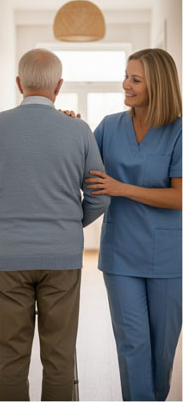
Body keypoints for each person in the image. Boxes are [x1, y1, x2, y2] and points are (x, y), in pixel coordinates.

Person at [0, 48, 110, 400]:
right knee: (59, 357)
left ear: (18, 84)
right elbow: (100, 195)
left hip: (9, 260)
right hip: (63, 258)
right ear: (58, 87)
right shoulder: (79, 130)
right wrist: (70, 225)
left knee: (11, 357)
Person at [87, 48, 181, 401]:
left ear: (157, 85)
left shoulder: (179, 131)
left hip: (169, 257)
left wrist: (121, 188)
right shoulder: (110, 126)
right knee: (132, 344)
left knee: (161, 351)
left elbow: (179, 197)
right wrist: (67, 127)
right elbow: (83, 165)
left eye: (135, 79)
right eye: (126, 76)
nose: (125, 84)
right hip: (121, 254)